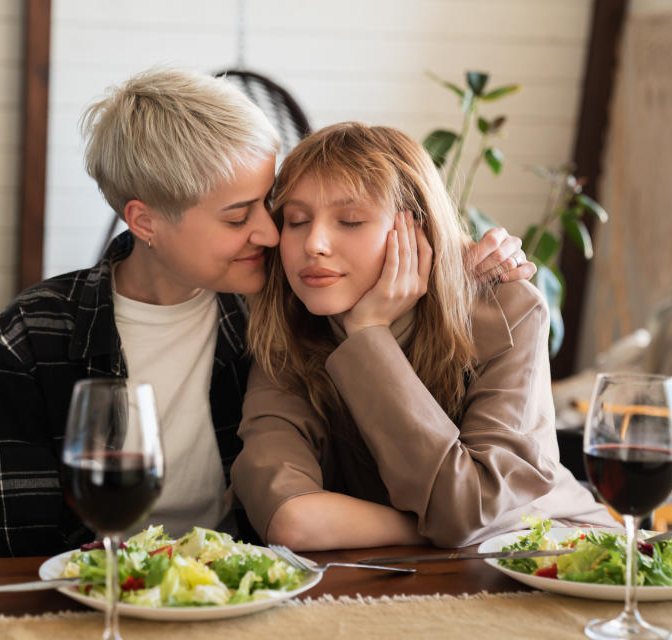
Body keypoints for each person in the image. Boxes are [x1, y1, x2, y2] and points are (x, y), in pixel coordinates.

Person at [0, 69, 534, 557]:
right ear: (145, 222)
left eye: (270, 207)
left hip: (257, 589)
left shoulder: (286, 300)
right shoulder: (35, 334)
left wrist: (461, 264)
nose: (272, 234)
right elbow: (21, 550)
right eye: (239, 216)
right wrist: (450, 529)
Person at [231, 122, 615, 551]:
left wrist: (367, 334)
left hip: (564, 555)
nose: (314, 243)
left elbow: (468, 507)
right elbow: (293, 520)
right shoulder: (286, 332)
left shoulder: (506, 309)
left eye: (351, 220)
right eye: (296, 221)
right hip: (425, 570)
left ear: (420, 230)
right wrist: (444, 529)